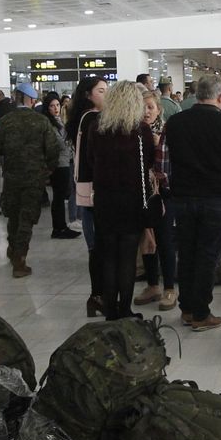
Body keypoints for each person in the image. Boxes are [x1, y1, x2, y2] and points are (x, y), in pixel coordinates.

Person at [159, 76, 221, 332]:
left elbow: (163, 165)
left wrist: (171, 190)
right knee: (208, 256)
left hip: (182, 199)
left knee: (186, 253)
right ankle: (201, 313)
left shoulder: (174, 123)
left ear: (197, 94)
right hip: (216, 200)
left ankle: (186, 308)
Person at [80, 83, 157, 319]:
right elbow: (149, 163)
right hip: (133, 199)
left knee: (108, 255)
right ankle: (124, 309)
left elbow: (90, 161)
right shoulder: (141, 131)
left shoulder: (96, 128)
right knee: (126, 257)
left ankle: (110, 310)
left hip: (104, 199)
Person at [0, 82, 58, 279]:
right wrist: (49, 169)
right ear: (31, 100)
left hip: (12, 177)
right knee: (27, 218)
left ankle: (12, 247)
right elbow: (52, 149)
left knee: (13, 214)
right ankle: (20, 259)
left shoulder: (5, 121)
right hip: (34, 178)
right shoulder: (41, 122)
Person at [67, 77, 110, 313]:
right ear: (88, 95)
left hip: (86, 188)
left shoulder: (81, 119)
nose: (106, 94)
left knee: (96, 245)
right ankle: (99, 295)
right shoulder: (93, 119)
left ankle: (98, 295)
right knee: (98, 245)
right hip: (95, 188)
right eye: (101, 91)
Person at [134, 89, 177, 312]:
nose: (146, 112)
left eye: (150, 107)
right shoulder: (134, 132)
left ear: (159, 109)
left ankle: (170, 287)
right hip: (141, 195)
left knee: (165, 240)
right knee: (147, 240)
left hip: (163, 195)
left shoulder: (166, 132)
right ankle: (152, 284)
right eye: (142, 107)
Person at [42, 94, 80, 239]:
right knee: (58, 197)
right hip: (59, 163)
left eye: (57, 105)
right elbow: (59, 143)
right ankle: (59, 228)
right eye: (52, 106)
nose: (56, 108)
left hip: (65, 161)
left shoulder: (59, 121)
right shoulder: (49, 124)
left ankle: (61, 226)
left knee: (60, 195)